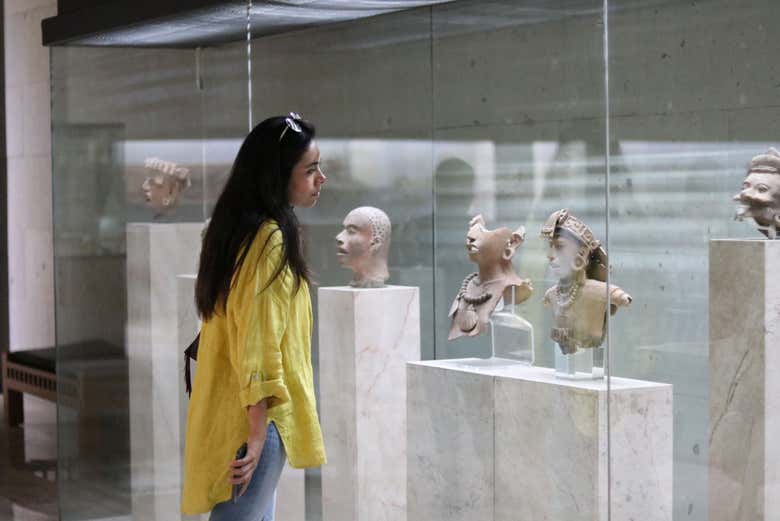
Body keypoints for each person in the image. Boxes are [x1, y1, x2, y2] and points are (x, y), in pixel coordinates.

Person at [181, 113, 327, 520]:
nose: (321, 179)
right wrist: (258, 433)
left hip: (235, 409)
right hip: (256, 419)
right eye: (310, 170)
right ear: (277, 175)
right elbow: (259, 341)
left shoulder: (238, 230)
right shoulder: (268, 240)